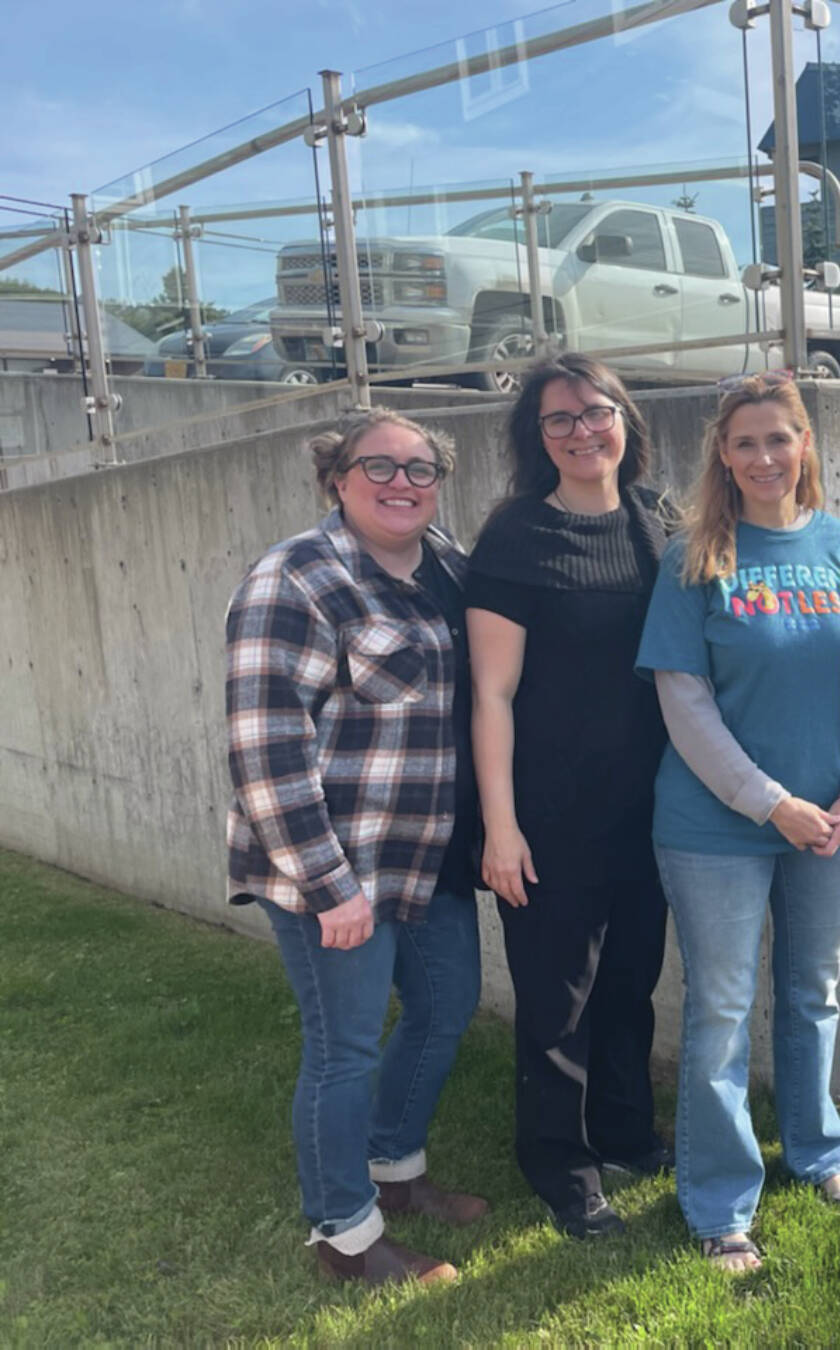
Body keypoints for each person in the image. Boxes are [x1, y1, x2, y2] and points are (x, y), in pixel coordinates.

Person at [635, 373, 840, 1272]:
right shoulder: (694, 556)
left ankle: (818, 1151)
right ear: (722, 454)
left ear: (803, 445)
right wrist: (770, 804)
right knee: (718, 1009)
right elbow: (684, 701)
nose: (762, 458)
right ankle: (718, 1203)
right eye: (743, 443)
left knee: (811, 990)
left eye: (777, 439)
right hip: (716, 828)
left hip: (835, 824)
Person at [225, 408, 487, 1287]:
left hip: (423, 857)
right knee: (345, 1046)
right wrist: (329, 886)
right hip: (327, 866)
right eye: (378, 467)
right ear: (336, 478)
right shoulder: (295, 577)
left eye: (419, 468)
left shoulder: (450, 566)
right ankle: (343, 1234)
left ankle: (394, 1171)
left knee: (448, 1005)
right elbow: (265, 747)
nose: (401, 483)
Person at [465, 353, 671, 1240]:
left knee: (630, 983)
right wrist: (500, 827)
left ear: (625, 421)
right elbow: (491, 694)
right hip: (547, 814)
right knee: (559, 1003)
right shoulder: (517, 536)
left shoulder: (654, 521)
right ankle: (560, 1161)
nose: (584, 431)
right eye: (560, 420)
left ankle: (625, 1130)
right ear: (535, 439)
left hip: (649, 808)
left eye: (598, 412)